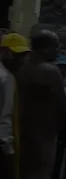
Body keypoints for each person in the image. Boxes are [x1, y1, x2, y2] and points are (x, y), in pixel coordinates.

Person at [15, 30, 66, 179]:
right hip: (44, 133)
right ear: (46, 47)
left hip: (20, 129)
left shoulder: (20, 66)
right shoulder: (50, 71)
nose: (58, 51)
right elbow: (61, 105)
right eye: (56, 47)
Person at [0, 33, 31, 179]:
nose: (21, 59)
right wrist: (9, 151)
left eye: (23, 55)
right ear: (5, 52)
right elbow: (4, 119)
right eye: (17, 54)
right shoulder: (6, 78)